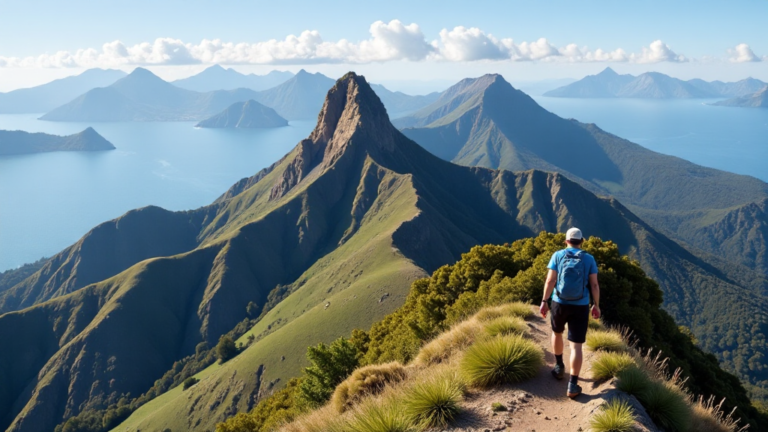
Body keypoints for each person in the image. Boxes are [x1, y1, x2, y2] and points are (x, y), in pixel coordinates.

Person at [539, 227, 600, 398]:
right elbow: (594, 285)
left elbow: (550, 280)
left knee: (557, 333)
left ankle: (559, 367)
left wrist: (544, 301)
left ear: (566, 241)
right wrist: (596, 305)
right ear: (582, 241)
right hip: (580, 305)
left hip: (559, 303)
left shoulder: (557, 255)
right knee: (576, 346)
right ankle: (572, 385)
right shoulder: (588, 259)